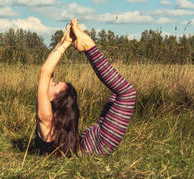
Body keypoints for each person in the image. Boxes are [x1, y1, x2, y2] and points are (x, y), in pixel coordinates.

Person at [36, 19, 136, 157]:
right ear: (55, 100)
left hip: (91, 139)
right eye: (55, 84)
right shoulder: (47, 120)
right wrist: (64, 43)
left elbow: (47, 73)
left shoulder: (52, 123)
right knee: (127, 93)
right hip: (99, 146)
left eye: (54, 84)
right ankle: (89, 47)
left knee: (119, 94)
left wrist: (64, 41)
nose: (50, 83)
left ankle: (89, 47)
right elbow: (45, 73)